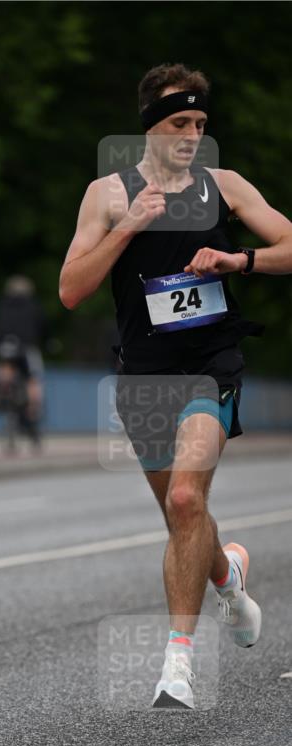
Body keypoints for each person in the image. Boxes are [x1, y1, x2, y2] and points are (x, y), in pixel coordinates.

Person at [59, 63, 292, 708]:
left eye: (199, 123)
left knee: (188, 501)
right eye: (178, 122)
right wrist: (130, 225)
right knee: (181, 514)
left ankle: (178, 667)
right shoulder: (106, 195)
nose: (191, 134)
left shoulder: (224, 186)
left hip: (210, 365)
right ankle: (228, 574)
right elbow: (72, 290)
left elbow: (289, 243)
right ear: (148, 128)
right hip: (143, 376)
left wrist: (238, 259)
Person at [0, 275, 46, 447]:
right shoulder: (33, 306)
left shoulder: (2, 306)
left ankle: (4, 394)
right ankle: (33, 410)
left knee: (5, 369)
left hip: (5, 348)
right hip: (26, 348)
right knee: (33, 379)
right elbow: (42, 328)